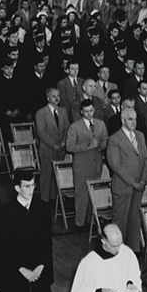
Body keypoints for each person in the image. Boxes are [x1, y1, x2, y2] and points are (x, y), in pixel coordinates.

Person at [0, 169, 55, 292]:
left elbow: (47, 240)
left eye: (33, 185)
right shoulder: (7, 212)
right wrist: (22, 269)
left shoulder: (42, 207)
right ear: (17, 188)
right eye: (26, 186)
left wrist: (40, 266)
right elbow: (6, 246)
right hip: (17, 271)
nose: (31, 189)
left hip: (39, 269)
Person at [106, 107, 147, 253]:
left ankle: (132, 251)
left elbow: (146, 159)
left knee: (134, 220)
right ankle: (116, 252)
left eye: (135, 119)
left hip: (139, 186)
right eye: (130, 119)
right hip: (124, 186)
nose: (134, 122)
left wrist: (143, 180)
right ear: (122, 120)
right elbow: (116, 166)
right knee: (120, 221)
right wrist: (133, 182)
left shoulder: (140, 136)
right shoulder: (114, 139)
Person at [66, 98, 106, 229]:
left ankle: (91, 221)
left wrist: (101, 146)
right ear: (81, 112)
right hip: (82, 166)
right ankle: (79, 223)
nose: (89, 114)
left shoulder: (100, 124)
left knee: (94, 195)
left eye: (91, 111)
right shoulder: (74, 127)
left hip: (96, 165)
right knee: (81, 195)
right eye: (86, 112)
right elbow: (69, 147)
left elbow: (106, 140)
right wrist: (87, 146)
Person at [34, 86, 69, 206]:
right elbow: (41, 132)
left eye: (58, 96)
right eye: (54, 96)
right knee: (46, 175)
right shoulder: (41, 113)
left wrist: (63, 142)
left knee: (57, 175)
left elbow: (66, 128)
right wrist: (54, 145)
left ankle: (55, 198)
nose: (57, 98)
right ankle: (44, 200)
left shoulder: (63, 111)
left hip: (61, 149)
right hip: (47, 149)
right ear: (48, 98)